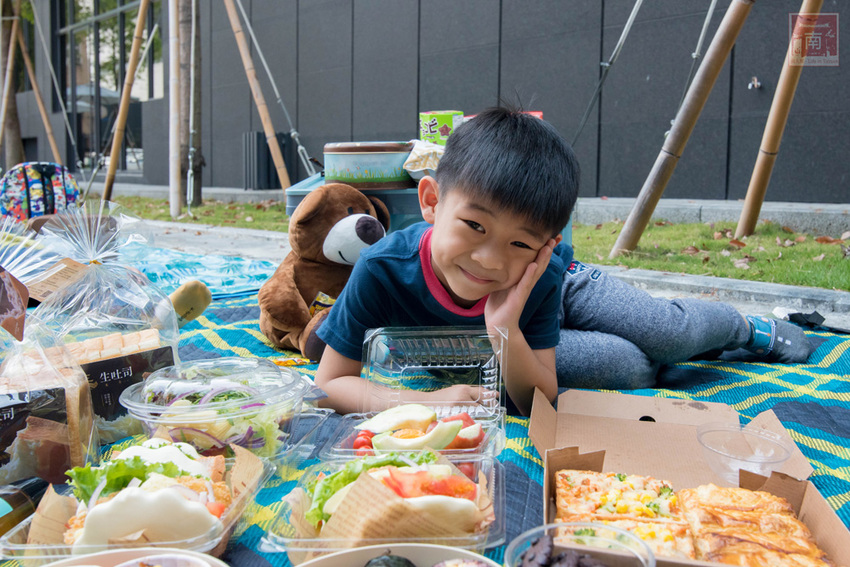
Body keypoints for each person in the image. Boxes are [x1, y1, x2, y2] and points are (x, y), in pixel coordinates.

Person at [314, 107, 813, 416]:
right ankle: (686, 354)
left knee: (667, 334)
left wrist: (509, 316)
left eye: (520, 241)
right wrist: (426, 398)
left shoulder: (540, 264)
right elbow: (332, 381)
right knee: (632, 369)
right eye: (475, 226)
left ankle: (741, 329)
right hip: (500, 338)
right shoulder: (383, 269)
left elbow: (533, 382)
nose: (488, 261)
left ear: (547, 242)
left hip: (559, 289)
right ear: (430, 201)